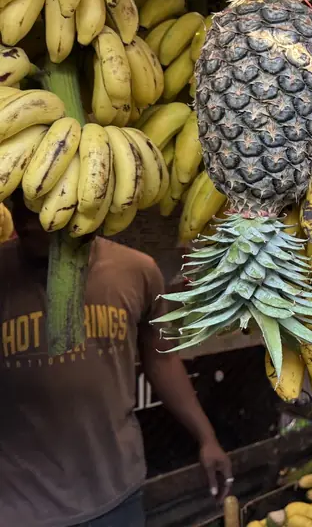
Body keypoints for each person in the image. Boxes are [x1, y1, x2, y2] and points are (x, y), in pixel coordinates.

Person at [0, 190, 233, 527]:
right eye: (19, 204)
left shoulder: (136, 271)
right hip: (19, 508)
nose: (25, 219)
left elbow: (161, 358)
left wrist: (206, 437)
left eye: (41, 206)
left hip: (115, 498)